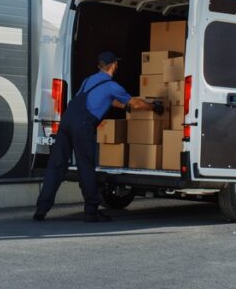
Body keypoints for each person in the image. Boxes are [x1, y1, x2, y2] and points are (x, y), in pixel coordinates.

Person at [33, 51, 163, 222]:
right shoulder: (112, 86)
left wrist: (124, 107)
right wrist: (153, 106)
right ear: (114, 65)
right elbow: (137, 103)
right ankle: (91, 211)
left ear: (99, 66)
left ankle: (41, 209)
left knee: (56, 165)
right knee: (86, 167)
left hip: (66, 121)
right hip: (83, 126)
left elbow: (104, 99)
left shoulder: (89, 80)